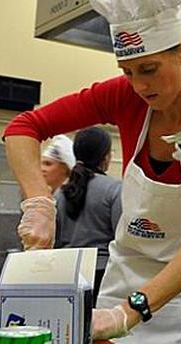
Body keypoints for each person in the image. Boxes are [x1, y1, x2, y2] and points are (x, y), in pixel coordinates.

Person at [3, 0, 181, 343]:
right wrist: (38, 202)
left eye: (149, 69)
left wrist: (132, 311)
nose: (138, 85)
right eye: (128, 71)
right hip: (123, 281)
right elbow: (24, 127)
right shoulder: (124, 96)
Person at [54, 126, 122, 294]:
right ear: (105, 157)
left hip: (68, 273)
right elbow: (122, 239)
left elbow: (55, 239)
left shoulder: (60, 193)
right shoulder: (114, 189)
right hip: (103, 275)